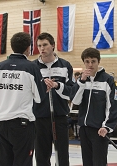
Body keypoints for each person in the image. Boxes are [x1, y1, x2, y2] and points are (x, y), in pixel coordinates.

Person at [0, 32, 46, 166]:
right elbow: (39, 97)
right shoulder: (32, 68)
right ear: (28, 48)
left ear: (12, 46)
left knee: (3, 162)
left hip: (1, 124)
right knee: (23, 162)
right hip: (22, 125)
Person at [70, 47, 117, 166]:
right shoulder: (81, 80)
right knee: (87, 162)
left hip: (99, 130)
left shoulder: (108, 80)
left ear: (98, 61)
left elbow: (113, 106)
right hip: (84, 128)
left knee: (99, 163)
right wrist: (81, 82)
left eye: (93, 61)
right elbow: (75, 101)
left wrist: (107, 127)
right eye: (87, 61)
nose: (90, 65)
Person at [33, 32, 74, 166]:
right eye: (39, 46)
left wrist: (57, 86)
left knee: (62, 155)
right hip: (40, 117)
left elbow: (71, 91)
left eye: (45, 45)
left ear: (53, 46)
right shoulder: (33, 67)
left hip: (60, 116)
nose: (42, 48)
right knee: (41, 155)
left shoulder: (65, 65)